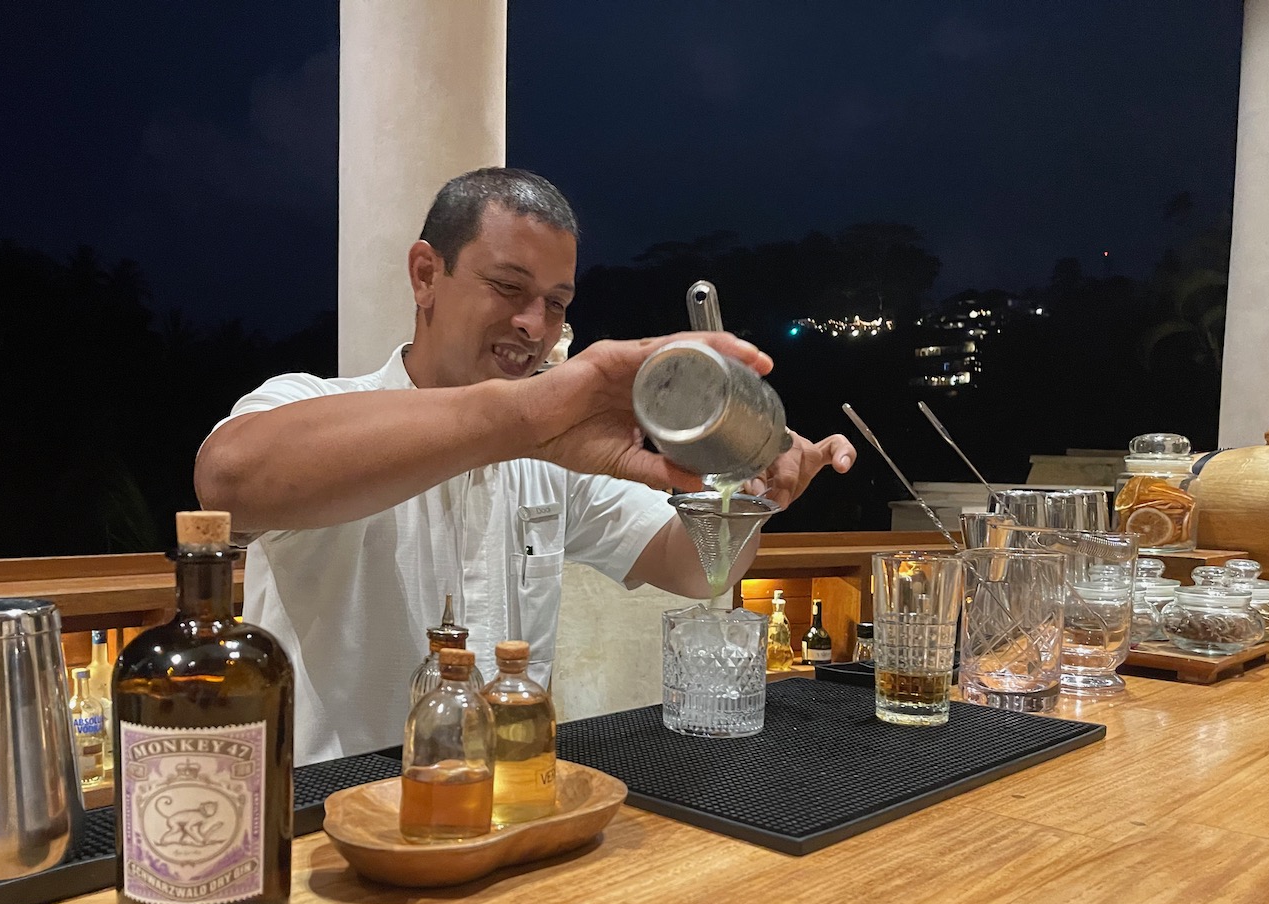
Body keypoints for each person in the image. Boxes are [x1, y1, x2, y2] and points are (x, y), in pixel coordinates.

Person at [196, 168, 854, 766]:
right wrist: (525, 416)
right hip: (335, 823)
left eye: (557, 303)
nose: (534, 326)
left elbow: (692, 567)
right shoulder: (311, 405)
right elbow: (228, 480)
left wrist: (741, 489)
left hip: (508, 807)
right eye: (508, 287)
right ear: (426, 274)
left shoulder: (554, 455)